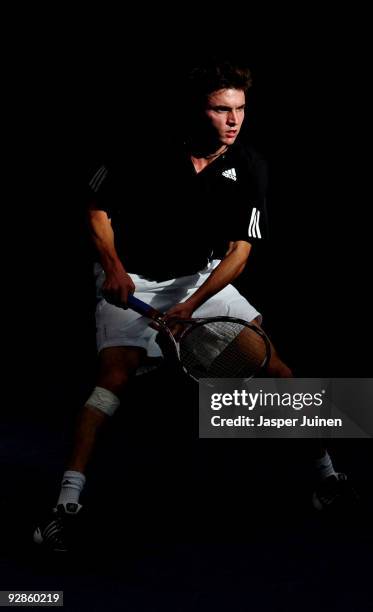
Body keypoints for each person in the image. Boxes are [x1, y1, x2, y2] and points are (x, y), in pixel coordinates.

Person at [33, 58, 354, 552]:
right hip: (134, 278)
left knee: (278, 371)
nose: (233, 120)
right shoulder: (139, 147)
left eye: (240, 109)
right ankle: (65, 504)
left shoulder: (249, 166)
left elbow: (240, 251)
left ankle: (328, 476)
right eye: (220, 109)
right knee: (111, 381)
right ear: (195, 110)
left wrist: (192, 306)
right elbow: (96, 209)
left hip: (200, 280)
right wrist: (115, 269)